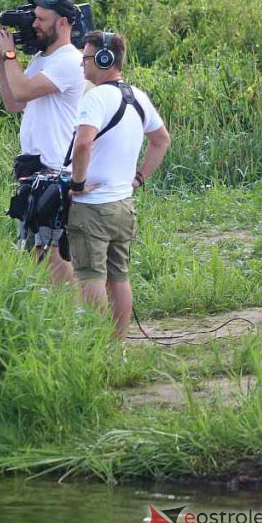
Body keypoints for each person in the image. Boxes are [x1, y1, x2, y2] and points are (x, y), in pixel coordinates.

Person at [67, 31, 171, 337]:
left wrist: (77, 183)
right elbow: (161, 140)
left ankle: (95, 343)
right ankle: (118, 346)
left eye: (86, 57)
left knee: (90, 277)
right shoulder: (138, 96)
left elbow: (83, 145)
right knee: (119, 278)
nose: (82, 64)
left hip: (92, 207)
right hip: (124, 206)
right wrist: (139, 178)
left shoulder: (96, 98)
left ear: (103, 59)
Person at [0, 0, 86, 286]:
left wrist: (10, 55)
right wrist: (1, 60)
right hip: (34, 170)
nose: (34, 25)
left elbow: (22, 91)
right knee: (38, 253)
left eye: (42, 19)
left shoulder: (69, 60)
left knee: (55, 254)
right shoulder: (42, 60)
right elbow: (14, 103)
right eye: (35, 18)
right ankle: (54, 316)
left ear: (63, 24)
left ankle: (75, 317)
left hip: (55, 171)